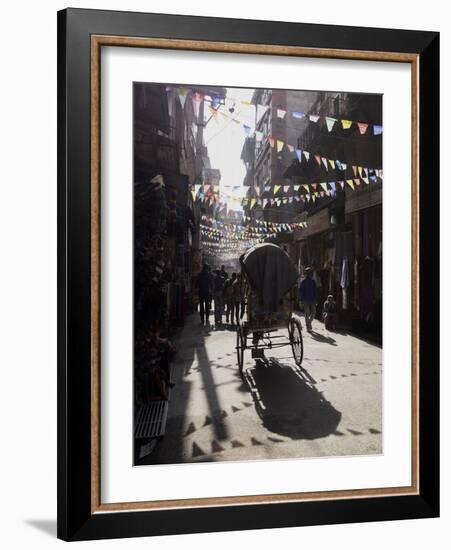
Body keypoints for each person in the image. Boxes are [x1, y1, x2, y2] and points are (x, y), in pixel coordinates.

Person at [299, 267, 317, 332]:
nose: (309, 274)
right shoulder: (303, 281)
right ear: (306, 273)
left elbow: (315, 291)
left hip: (312, 299)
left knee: (314, 313)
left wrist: (316, 299)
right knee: (307, 313)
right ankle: (308, 327)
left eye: (310, 272)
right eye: (307, 272)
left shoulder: (313, 282)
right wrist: (300, 300)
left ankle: (308, 323)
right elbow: (301, 291)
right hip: (305, 300)